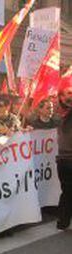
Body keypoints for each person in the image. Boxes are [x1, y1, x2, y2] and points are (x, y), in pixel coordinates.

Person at [56, 86, 72, 230]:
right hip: (66, 159)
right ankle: (63, 220)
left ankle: (63, 221)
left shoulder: (60, 113)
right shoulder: (59, 113)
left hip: (63, 160)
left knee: (67, 191)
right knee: (67, 191)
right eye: (68, 93)